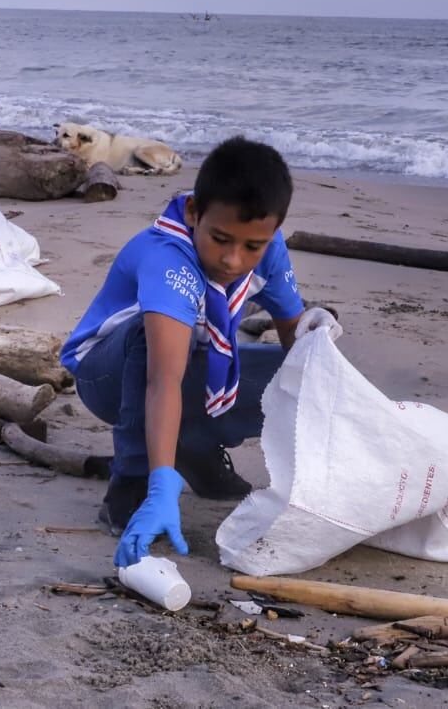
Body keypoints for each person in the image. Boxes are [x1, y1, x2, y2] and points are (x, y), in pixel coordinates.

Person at [61, 137, 342, 567]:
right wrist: (159, 484)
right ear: (194, 214)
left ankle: (195, 450)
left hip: (191, 368)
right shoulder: (168, 257)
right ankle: (133, 482)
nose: (232, 260)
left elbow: (293, 341)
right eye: (220, 238)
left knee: (308, 366)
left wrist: (316, 341)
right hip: (108, 377)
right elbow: (163, 380)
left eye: (252, 246)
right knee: (148, 341)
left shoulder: (268, 250)